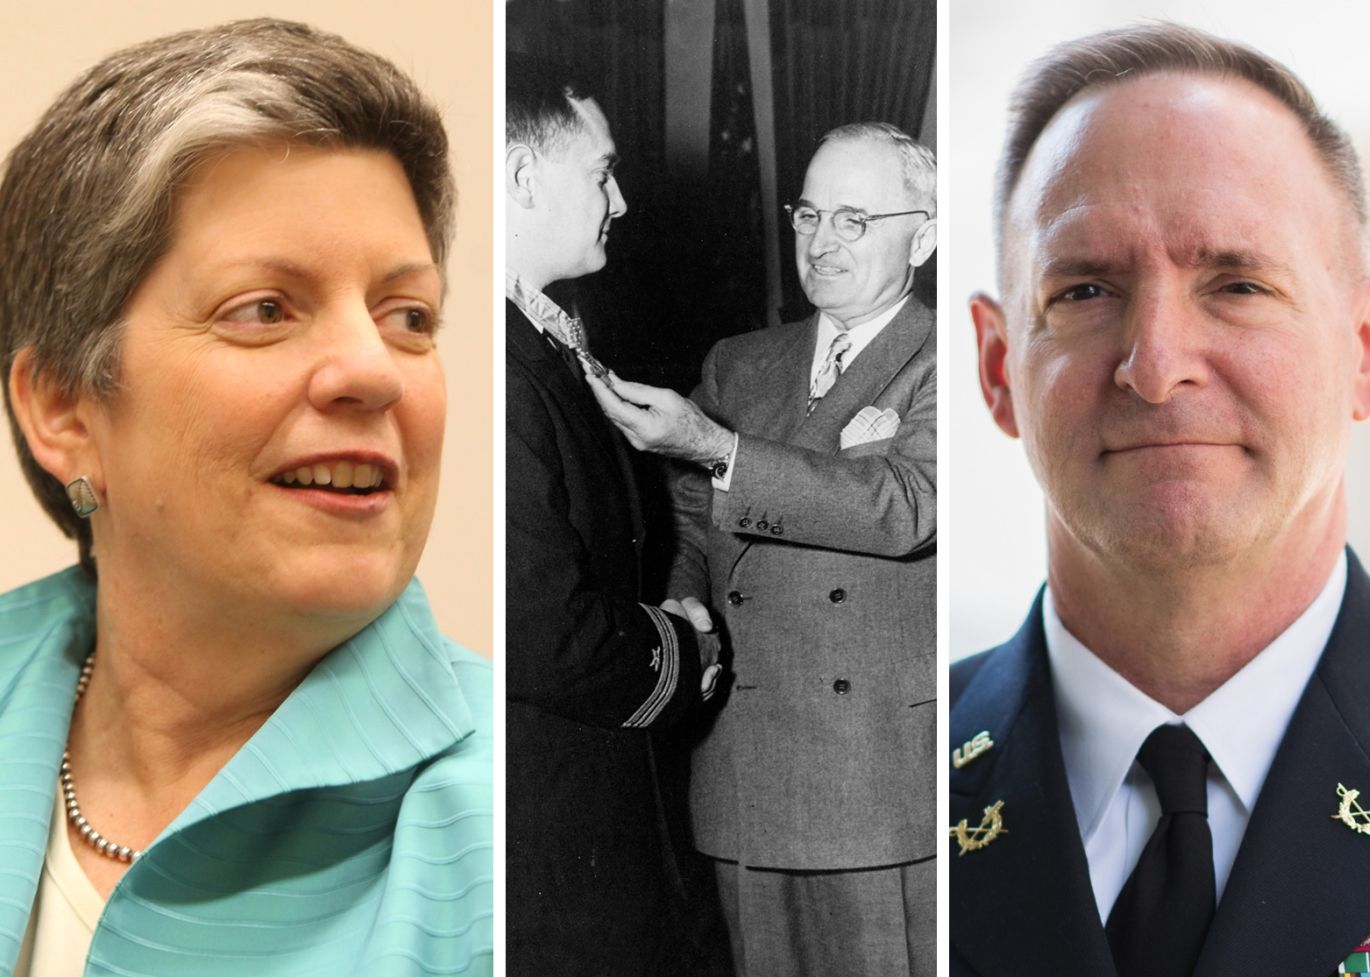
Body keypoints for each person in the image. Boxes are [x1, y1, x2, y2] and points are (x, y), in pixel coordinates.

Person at [0, 20, 491, 977]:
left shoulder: (506, 822)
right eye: (265, 308)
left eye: (409, 316)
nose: (372, 370)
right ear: (64, 407)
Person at [951, 23, 1370, 977]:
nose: (1156, 366)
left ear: (1369, 350)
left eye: (1239, 284)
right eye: (1085, 289)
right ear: (1000, 368)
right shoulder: (894, 770)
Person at [590, 122, 939, 977]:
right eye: (808, 214)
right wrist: (686, 606)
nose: (821, 243)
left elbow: (905, 505)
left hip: (874, 779)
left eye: (855, 220)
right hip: (746, 766)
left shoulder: (952, 357)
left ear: (924, 235)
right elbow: (686, 513)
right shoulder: (742, 362)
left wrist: (719, 450)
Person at [503, 53, 721, 977]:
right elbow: (544, 633)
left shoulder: (540, 334)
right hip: (542, 824)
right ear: (520, 178)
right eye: (600, 173)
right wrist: (685, 651)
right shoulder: (493, 365)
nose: (621, 201)